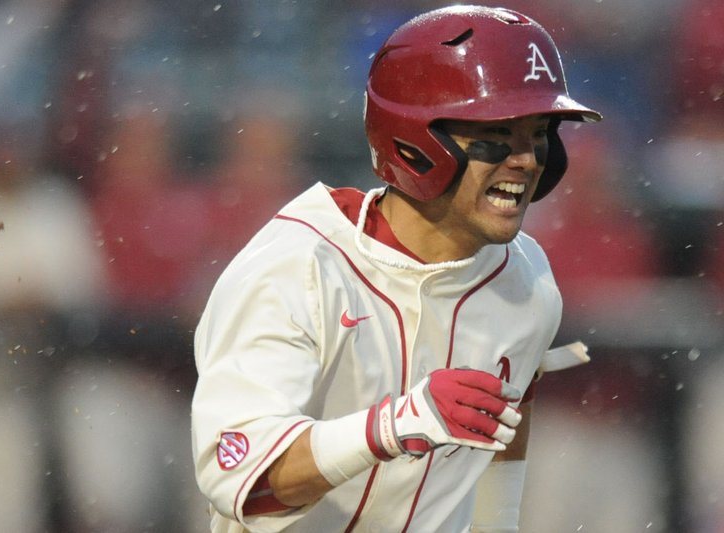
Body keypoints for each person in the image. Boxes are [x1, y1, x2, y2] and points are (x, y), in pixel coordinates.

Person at [191, 5, 601, 533]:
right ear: (414, 141)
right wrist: (392, 426)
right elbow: (243, 479)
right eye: (497, 133)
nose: (527, 160)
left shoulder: (527, 281)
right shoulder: (297, 267)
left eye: (539, 133)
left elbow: (503, 440)